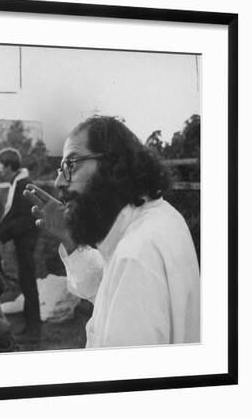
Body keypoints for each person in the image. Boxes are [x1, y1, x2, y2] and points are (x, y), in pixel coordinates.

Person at [24, 115, 200, 348]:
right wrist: (69, 238)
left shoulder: (136, 253)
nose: (58, 182)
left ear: (113, 164)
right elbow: (113, 292)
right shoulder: (159, 217)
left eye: (72, 165)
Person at [0, 148, 41, 341]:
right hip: (23, 240)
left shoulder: (23, 183)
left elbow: (27, 219)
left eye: (0, 164)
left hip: (26, 241)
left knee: (28, 283)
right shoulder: (18, 181)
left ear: (8, 165)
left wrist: (5, 232)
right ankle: (29, 323)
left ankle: (34, 329)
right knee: (25, 281)